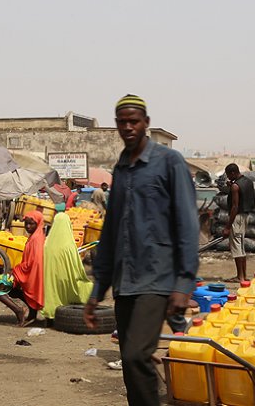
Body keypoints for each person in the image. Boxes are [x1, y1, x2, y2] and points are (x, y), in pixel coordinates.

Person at [84, 94, 198, 406]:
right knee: (131, 366)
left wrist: (184, 282)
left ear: (146, 123)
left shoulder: (168, 162)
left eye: (134, 121)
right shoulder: (121, 169)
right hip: (125, 282)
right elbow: (111, 233)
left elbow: (187, 224)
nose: (128, 127)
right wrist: (98, 289)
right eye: (122, 122)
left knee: (135, 356)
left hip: (158, 278)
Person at [40, 213, 93, 320]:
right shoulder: (69, 246)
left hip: (48, 283)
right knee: (88, 286)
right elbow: (77, 268)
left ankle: (49, 312)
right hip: (66, 282)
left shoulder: (46, 244)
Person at [10, 210, 45, 325]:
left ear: (38, 224)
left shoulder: (36, 240)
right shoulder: (35, 236)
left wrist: (17, 269)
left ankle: (31, 310)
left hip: (32, 273)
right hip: (30, 271)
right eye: (26, 224)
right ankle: (32, 312)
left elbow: (33, 262)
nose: (28, 226)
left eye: (32, 224)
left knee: (10, 288)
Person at [222, 163, 255, 283]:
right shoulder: (248, 182)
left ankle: (240, 277)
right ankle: (243, 275)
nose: (228, 178)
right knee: (240, 246)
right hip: (245, 216)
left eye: (228, 175)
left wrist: (227, 226)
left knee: (237, 248)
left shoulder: (235, 186)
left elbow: (235, 207)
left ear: (232, 173)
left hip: (237, 218)